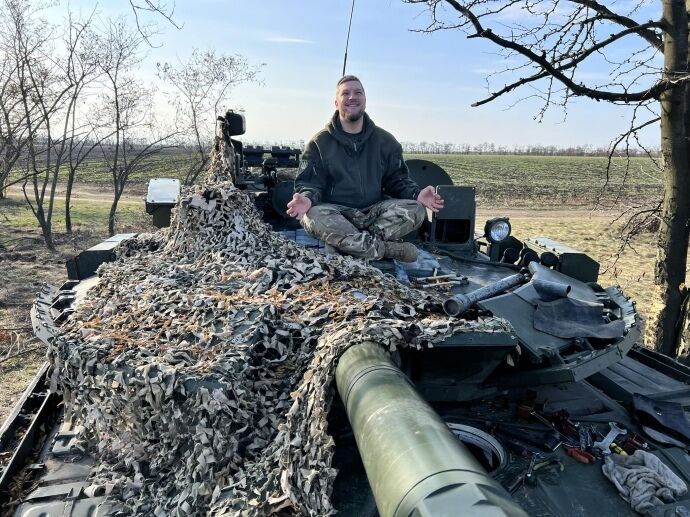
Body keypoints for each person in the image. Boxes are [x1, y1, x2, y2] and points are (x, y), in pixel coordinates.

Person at [286, 75, 444, 262]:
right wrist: (307, 198)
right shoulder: (319, 143)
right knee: (312, 215)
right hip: (336, 214)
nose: (352, 97)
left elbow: (397, 180)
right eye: (346, 93)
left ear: (365, 101)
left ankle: (345, 244)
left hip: (374, 214)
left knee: (416, 209)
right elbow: (309, 183)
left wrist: (416, 195)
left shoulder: (386, 141)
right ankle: (386, 250)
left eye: (358, 92)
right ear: (336, 102)